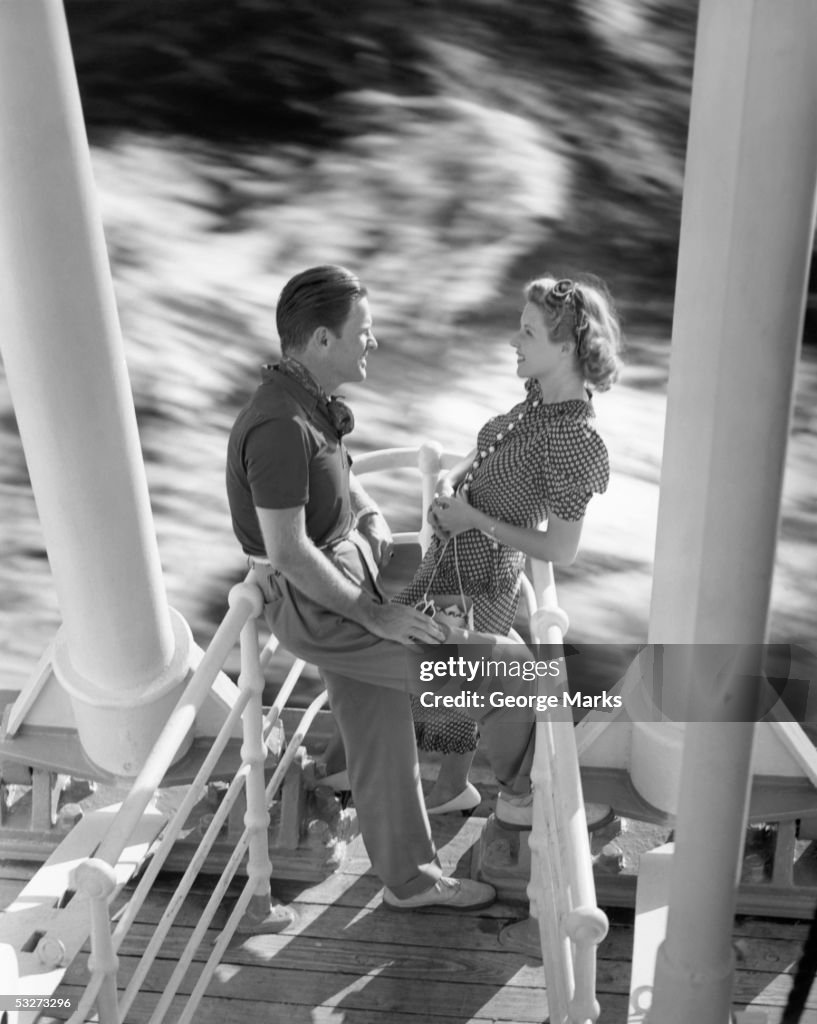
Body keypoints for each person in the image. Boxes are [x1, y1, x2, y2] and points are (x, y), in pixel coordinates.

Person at [226, 265, 541, 913]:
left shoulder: (304, 405)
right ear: (319, 339)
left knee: (380, 734)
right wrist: (376, 615)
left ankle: (409, 880)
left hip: (346, 578)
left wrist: (370, 518)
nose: (372, 342)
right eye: (362, 332)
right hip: (323, 607)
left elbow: (336, 485)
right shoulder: (278, 426)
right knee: (508, 667)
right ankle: (523, 796)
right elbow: (286, 549)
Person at [394, 274, 622, 815]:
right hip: (449, 566)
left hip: (482, 581)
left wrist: (471, 516)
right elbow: (486, 451)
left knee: (411, 668)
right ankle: (451, 787)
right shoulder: (536, 403)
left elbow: (561, 550)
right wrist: (452, 482)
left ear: (565, 346)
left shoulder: (574, 438)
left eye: (527, 332)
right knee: (452, 689)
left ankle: (520, 793)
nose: (513, 342)